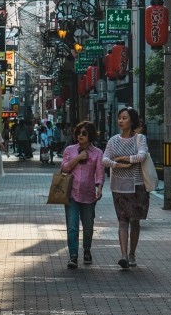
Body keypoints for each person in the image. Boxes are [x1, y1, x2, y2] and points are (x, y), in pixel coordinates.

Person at [103, 108, 150, 269]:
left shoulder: (140, 139)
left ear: (132, 121)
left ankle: (132, 253)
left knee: (135, 221)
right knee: (122, 221)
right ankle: (123, 255)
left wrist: (123, 158)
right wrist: (119, 164)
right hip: (119, 187)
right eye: (119, 118)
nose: (121, 121)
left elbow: (141, 156)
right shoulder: (113, 140)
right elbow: (104, 160)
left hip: (137, 186)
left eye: (124, 118)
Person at [59, 121, 104, 269]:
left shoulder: (97, 153)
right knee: (72, 226)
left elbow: (99, 173)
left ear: (90, 135)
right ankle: (73, 256)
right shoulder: (70, 150)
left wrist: (99, 186)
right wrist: (78, 157)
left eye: (84, 133)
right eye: (78, 133)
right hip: (71, 194)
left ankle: (86, 250)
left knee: (88, 226)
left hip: (89, 195)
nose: (80, 136)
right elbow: (64, 168)